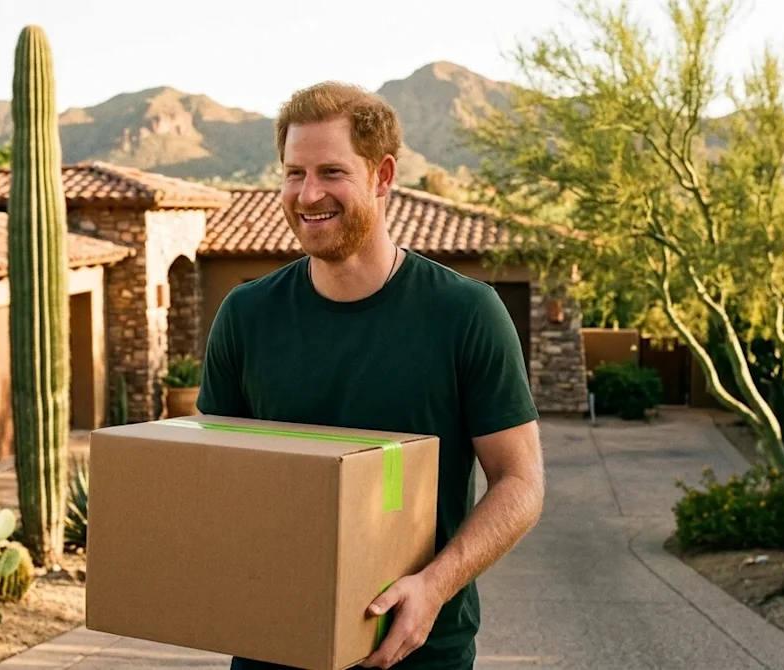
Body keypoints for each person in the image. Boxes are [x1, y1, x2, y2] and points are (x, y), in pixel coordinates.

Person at [196, 81, 545, 670]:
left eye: (331, 172)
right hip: (271, 651)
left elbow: (520, 482)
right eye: (293, 173)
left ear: (382, 176)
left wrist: (433, 587)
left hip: (419, 654)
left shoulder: (465, 314)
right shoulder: (246, 316)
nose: (308, 195)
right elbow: (217, 481)